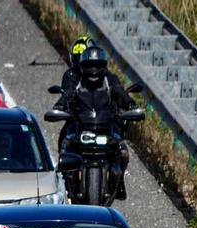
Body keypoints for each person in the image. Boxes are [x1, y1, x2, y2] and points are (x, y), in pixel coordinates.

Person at [50, 45, 137, 198]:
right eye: (90, 65)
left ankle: (120, 179)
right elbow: (68, 93)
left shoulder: (110, 79)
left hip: (106, 125)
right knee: (65, 147)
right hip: (81, 124)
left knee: (123, 152)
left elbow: (119, 91)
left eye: (97, 65)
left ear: (103, 66)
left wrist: (130, 103)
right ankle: (63, 181)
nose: (93, 69)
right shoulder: (77, 79)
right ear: (82, 65)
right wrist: (60, 104)